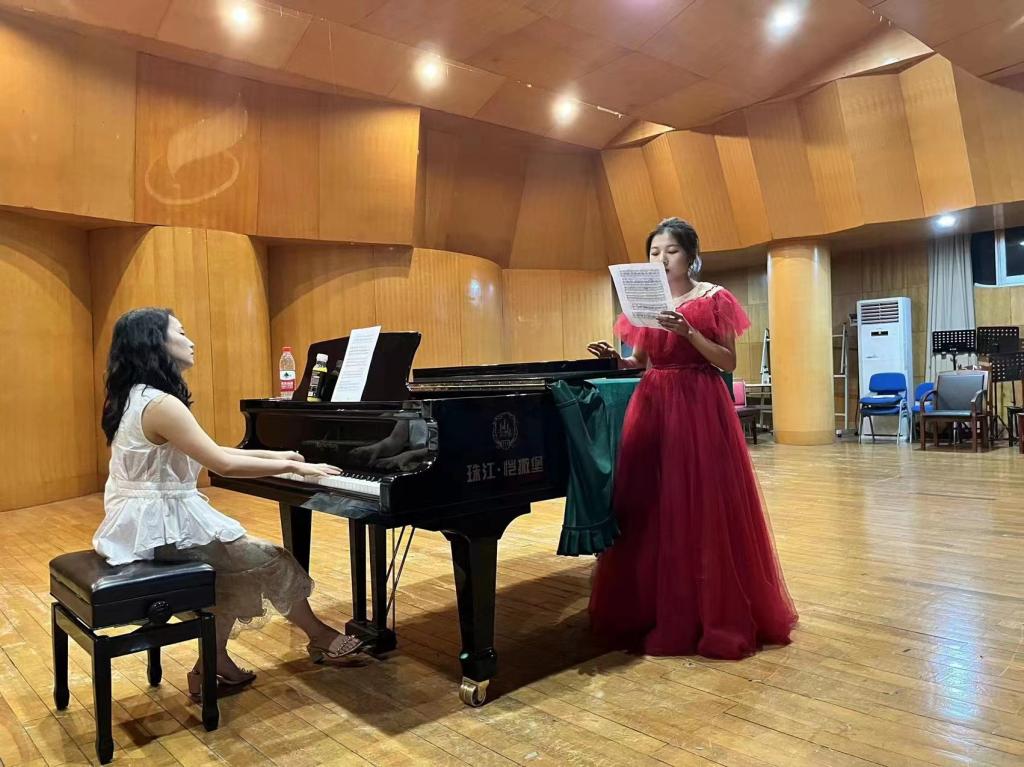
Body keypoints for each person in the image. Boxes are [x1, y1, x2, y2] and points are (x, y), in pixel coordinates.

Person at [93, 307, 365, 702]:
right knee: (270, 560)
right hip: (162, 533)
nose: (191, 342)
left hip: (144, 528)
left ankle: (213, 661)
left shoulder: (135, 397)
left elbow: (209, 449)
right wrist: (293, 466)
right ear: (155, 343)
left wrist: (277, 456)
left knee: (233, 573)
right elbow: (222, 464)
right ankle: (320, 635)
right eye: (180, 333)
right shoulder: (162, 404)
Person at [587, 217, 797, 659]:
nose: (662, 259)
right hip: (654, 402)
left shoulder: (713, 298)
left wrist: (688, 332)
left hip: (699, 403)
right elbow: (640, 362)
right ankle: (650, 608)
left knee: (702, 503)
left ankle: (710, 613)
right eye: (654, 252)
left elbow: (727, 361)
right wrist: (615, 360)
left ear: (691, 256)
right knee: (651, 505)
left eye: (671, 251)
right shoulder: (645, 302)